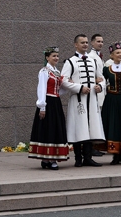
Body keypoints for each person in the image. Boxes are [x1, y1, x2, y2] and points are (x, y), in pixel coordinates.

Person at [61, 34, 104, 167]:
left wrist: (100, 87)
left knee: (90, 128)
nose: (85, 44)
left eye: (86, 42)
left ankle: (88, 158)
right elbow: (63, 80)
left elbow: (101, 79)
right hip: (78, 100)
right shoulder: (70, 62)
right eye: (82, 43)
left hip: (92, 99)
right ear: (76, 45)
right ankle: (78, 159)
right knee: (79, 128)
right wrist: (79, 88)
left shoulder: (93, 61)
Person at [29, 46, 69, 170]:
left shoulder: (56, 72)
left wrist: (67, 84)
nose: (56, 58)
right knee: (48, 129)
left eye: (57, 56)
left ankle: (51, 158)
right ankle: (48, 158)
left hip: (56, 102)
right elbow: (41, 89)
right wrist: (42, 107)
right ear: (47, 58)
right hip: (47, 102)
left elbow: (59, 91)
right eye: (53, 56)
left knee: (55, 128)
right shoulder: (44, 71)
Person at [86, 33, 106, 157]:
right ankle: (90, 146)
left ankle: (95, 145)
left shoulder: (99, 57)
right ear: (92, 43)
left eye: (102, 41)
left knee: (97, 120)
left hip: (101, 91)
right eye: (98, 41)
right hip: (94, 91)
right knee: (92, 120)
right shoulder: (90, 56)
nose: (100, 43)